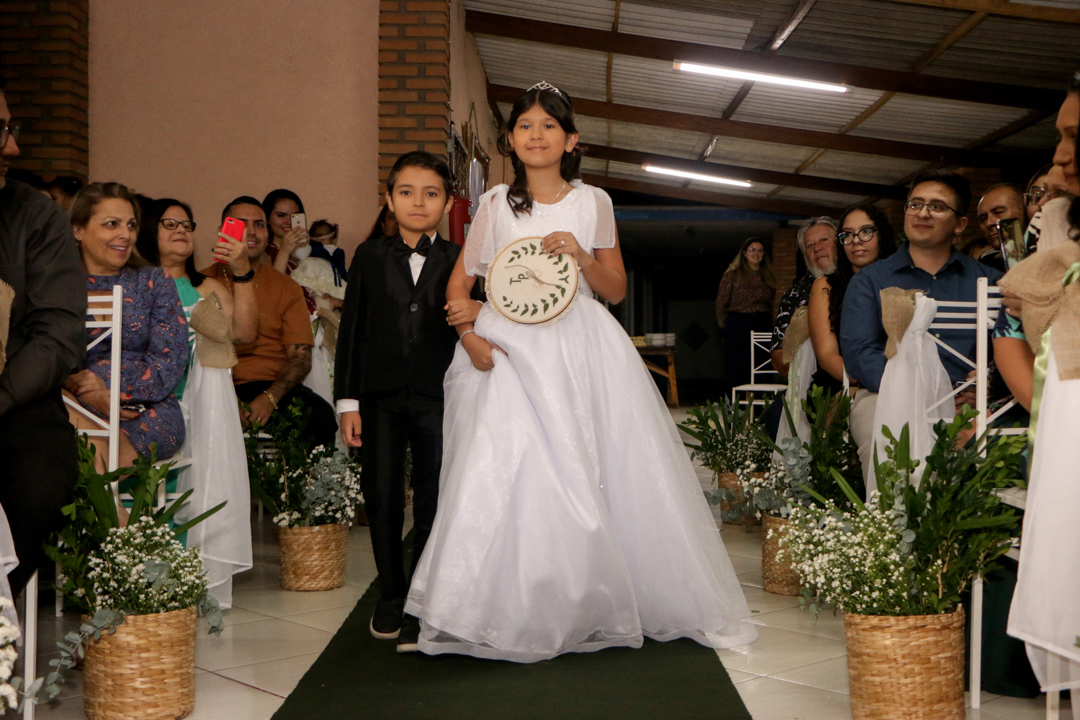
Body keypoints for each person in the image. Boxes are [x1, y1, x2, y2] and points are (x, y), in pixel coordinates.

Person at [405, 82, 757, 663]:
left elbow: (615, 289)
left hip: (577, 348)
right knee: (507, 468)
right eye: (525, 126)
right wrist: (469, 335)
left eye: (549, 126)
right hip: (507, 353)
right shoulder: (495, 204)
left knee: (588, 466)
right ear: (510, 140)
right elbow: (460, 284)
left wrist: (584, 256)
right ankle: (507, 604)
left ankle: (595, 597)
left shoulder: (592, 203)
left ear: (571, 140)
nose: (536, 135)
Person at [334, 151, 471, 652]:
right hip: (379, 397)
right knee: (384, 495)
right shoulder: (369, 257)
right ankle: (391, 593)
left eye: (431, 193)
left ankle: (425, 596)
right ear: (389, 199)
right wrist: (347, 402)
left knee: (436, 497)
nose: (419, 202)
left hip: (441, 396)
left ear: (448, 203)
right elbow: (351, 332)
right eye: (407, 192)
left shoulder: (460, 259)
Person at [840, 169, 1003, 482]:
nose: (923, 213)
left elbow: (1009, 347)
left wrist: (987, 383)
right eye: (915, 204)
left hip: (968, 399)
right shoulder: (870, 281)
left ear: (960, 224)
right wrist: (925, 393)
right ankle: (890, 526)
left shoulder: (990, 281)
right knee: (884, 440)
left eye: (937, 206)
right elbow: (859, 353)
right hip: (885, 393)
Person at [135, 197, 256, 607]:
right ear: (148, 231)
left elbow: (244, 333)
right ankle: (143, 577)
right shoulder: (135, 285)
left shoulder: (207, 287)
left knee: (198, 484)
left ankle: (192, 577)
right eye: (169, 223)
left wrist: (241, 272)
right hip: (146, 404)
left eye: (187, 223)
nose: (181, 230)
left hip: (203, 405)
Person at [0, 92, 85, 596]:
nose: (11, 148)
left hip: (18, 401)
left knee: (39, 489)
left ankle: (6, 627)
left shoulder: (36, 217)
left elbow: (57, 334)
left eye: (12, 129)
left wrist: (3, 396)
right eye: (1, 130)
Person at [65, 182, 189, 470]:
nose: (125, 235)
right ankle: (113, 512)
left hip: (147, 405)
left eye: (131, 225)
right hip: (73, 401)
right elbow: (41, 350)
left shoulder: (154, 281)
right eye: (112, 224)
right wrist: (83, 390)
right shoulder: (57, 285)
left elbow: (169, 360)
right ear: (77, 229)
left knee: (132, 442)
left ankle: (101, 508)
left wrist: (106, 388)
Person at [201, 196, 337, 452]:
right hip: (218, 388)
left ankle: (303, 491)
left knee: (321, 415)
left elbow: (300, 358)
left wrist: (270, 398)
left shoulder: (286, 286)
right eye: (241, 224)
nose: (251, 232)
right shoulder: (201, 282)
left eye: (259, 224)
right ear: (223, 232)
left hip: (273, 387)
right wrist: (230, 403)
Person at [808, 203, 897, 393]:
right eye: (847, 234)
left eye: (866, 232)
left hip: (899, 380)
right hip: (843, 383)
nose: (856, 241)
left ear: (882, 235)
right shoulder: (825, 286)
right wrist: (871, 383)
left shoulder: (902, 281)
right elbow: (827, 356)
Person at [770, 217, 838, 379]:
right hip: (809, 385)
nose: (818, 248)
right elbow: (778, 354)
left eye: (824, 240)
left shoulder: (859, 283)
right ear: (805, 255)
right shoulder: (795, 294)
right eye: (810, 245)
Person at [715, 237, 777, 394]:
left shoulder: (768, 275)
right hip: (738, 324)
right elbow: (721, 303)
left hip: (762, 322)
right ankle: (738, 412)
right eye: (752, 250)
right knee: (737, 368)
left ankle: (762, 411)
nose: (756, 254)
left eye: (760, 250)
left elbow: (771, 302)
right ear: (744, 253)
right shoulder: (732, 274)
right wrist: (725, 327)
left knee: (763, 366)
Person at [973, 183, 1025, 272]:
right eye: (983, 218)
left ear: (1024, 211)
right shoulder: (985, 266)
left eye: (998, 212)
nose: (989, 223)